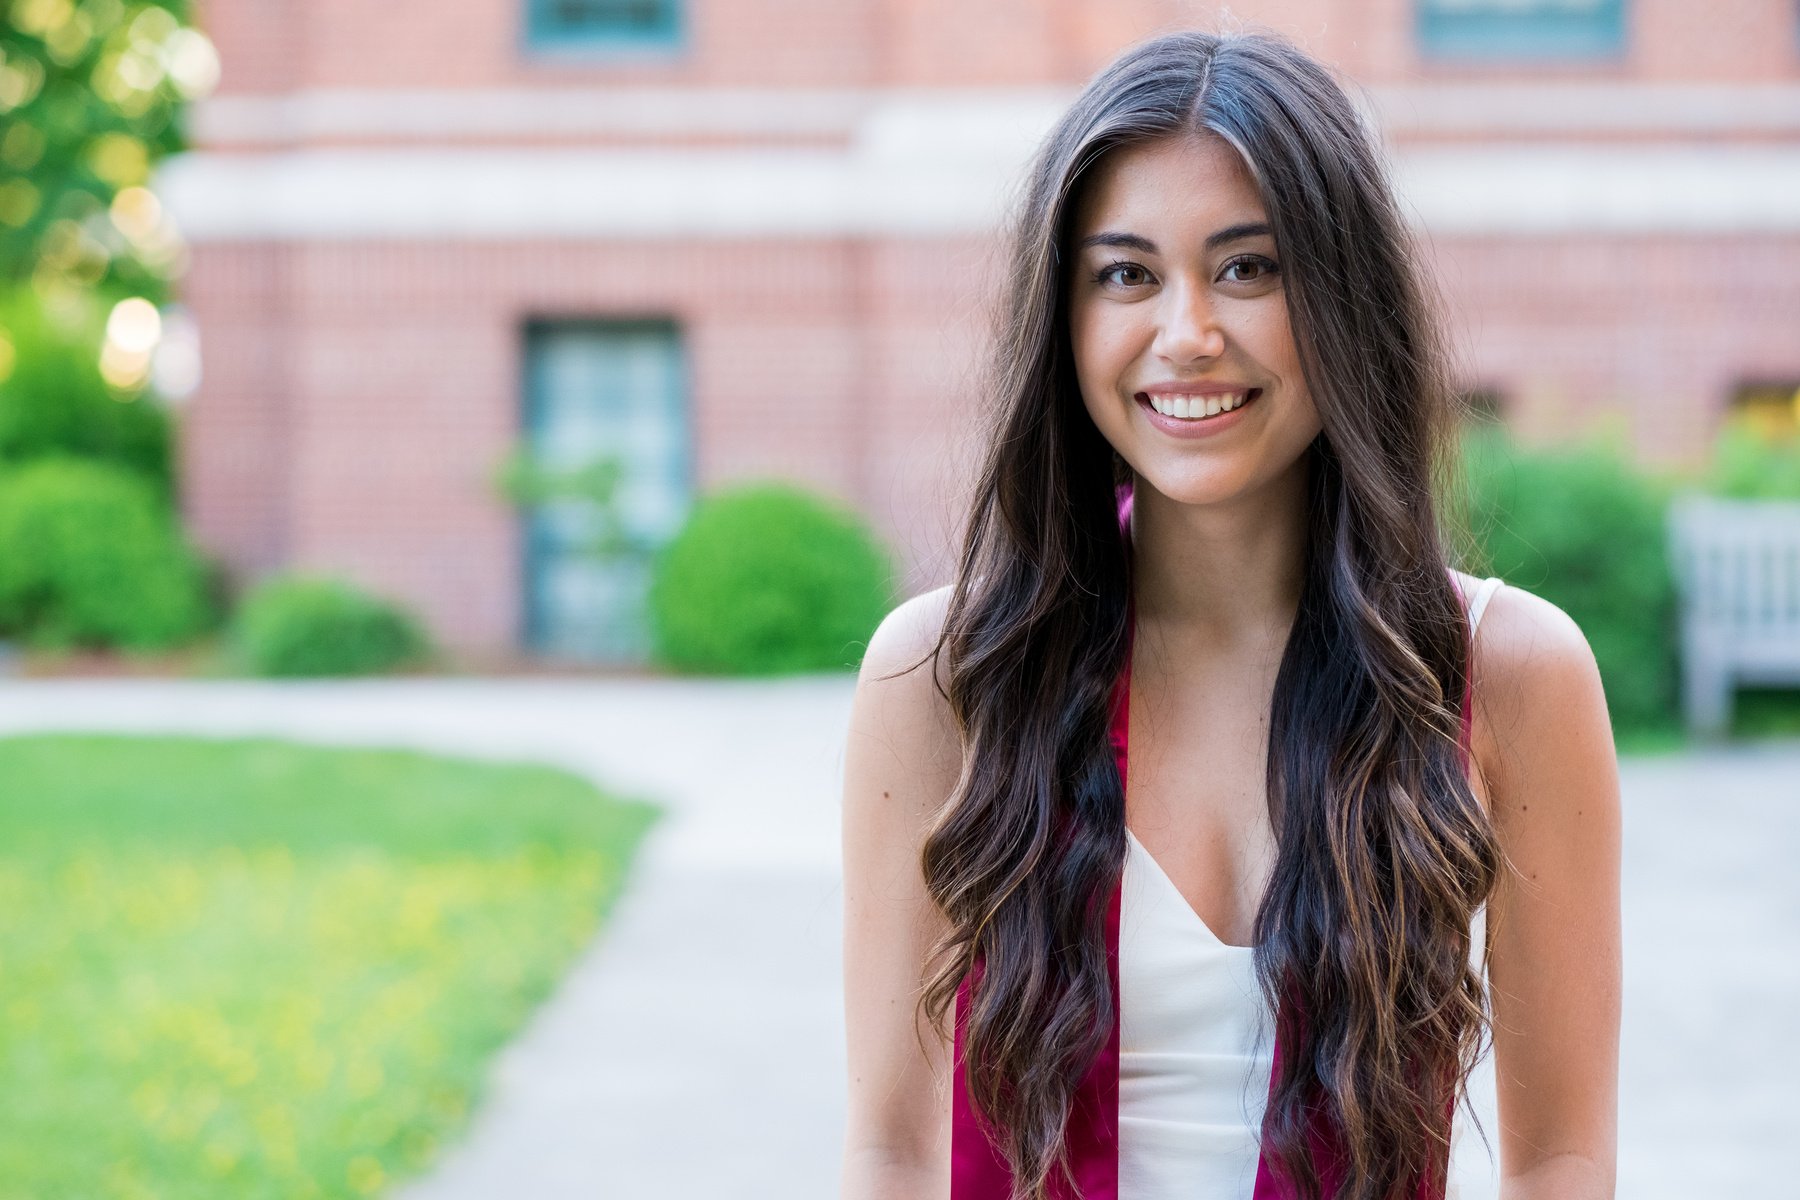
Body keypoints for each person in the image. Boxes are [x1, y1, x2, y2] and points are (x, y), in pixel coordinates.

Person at [840, 27, 1620, 1200]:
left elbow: (1561, 1156)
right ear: (1067, 319)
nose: (1188, 332)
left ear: (1347, 298)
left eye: (1249, 267)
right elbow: (890, 1153)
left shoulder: (1503, 671)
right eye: (1126, 274)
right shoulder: (947, 676)